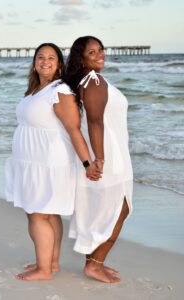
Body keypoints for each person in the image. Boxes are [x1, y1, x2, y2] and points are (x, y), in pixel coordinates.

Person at [5, 43, 101, 281]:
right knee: (48, 214)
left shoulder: (60, 91)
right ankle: (51, 263)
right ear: (34, 61)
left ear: (59, 64)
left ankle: (43, 269)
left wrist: (88, 163)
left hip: (48, 162)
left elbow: (74, 130)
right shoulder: (37, 89)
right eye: (40, 57)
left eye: (51, 58)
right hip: (32, 160)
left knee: (38, 214)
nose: (45, 61)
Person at [63, 36, 133, 283]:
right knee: (119, 209)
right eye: (92, 52)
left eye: (100, 50)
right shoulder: (93, 80)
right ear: (81, 58)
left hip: (107, 151)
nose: (100, 54)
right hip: (108, 155)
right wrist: (100, 159)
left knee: (103, 209)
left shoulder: (87, 80)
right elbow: (94, 121)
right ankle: (95, 264)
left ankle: (94, 262)